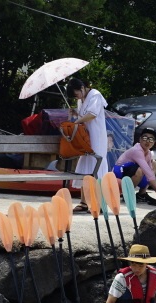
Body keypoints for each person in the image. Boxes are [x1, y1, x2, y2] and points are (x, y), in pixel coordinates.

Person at [68, 77, 109, 213]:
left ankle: (100, 202)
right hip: (86, 136)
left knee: (96, 165)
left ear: (82, 88)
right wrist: (76, 113)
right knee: (85, 164)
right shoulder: (81, 100)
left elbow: (92, 114)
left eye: (76, 94)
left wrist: (77, 121)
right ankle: (84, 202)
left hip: (96, 136)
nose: (76, 97)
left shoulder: (95, 95)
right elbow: (83, 115)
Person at [112, 128, 156, 206]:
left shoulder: (148, 153)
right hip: (119, 175)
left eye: (151, 139)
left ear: (154, 142)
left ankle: (141, 194)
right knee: (140, 170)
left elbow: (150, 173)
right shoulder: (137, 150)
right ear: (140, 139)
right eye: (145, 138)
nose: (147, 141)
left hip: (130, 174)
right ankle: (128, 195)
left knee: (154, 164)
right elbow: (147, 171)